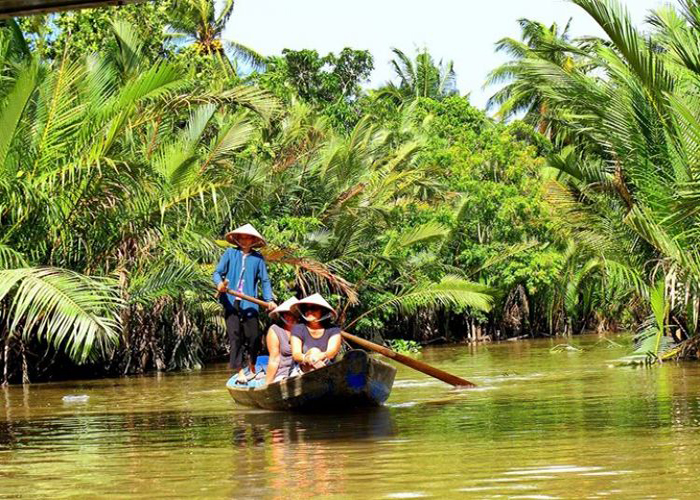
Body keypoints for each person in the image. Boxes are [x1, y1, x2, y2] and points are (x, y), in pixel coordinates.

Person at [213, 223, 277, 384]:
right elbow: (217, 273)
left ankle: (253, 365)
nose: (244, 240)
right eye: (242, 237)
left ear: (253, 240)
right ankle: (240, 371)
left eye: (248, 238)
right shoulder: (230, 253)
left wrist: (269, 300)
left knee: (254, 336)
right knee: (235, 336)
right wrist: (219, 284)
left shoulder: (257, 258)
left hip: (250, 302)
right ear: (237, 239)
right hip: (230, 301)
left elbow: (264, 280)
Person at [290, 294, 342, 372]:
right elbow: (296, 354)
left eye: (313, 308)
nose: (309, 311)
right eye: (306, 309)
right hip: (302, 368)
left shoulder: (333, 329)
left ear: (323, 311)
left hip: (326, 366)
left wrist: (317, 357)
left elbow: (332, 352)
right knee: (314, 351)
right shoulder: (298, 328)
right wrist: (308, 358)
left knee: (315, 352)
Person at [264, 297, 300, 385]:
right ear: (282, 315)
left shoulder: (303, 328)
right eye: (286, 314)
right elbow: (274, 359)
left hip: (302, 369)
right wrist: (267, 385)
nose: (290, 317)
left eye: (293, 314)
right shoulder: (275, 330)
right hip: (284, 373)